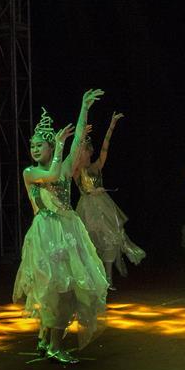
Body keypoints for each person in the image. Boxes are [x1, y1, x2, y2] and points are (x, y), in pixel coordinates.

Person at [13, 91, 110, 364]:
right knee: (51, 289)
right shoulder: (30, 173)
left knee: (66, 290)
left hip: (68, 231)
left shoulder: (67, 167)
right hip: (46, 233)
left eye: (39, 145)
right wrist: (57, 147)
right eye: (32, 145)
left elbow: (78, 141)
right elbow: (52, 175)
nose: (34, 149)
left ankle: (49, 340)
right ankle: (51, 342)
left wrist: (83, 108)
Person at [74, 112, 145, 288]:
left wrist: (112, 125)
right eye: (81, 150)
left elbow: (106, 146)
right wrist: (80, 137)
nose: (84, 153)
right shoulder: (75, 170)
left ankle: (108, 277)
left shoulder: (96, 166)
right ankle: (92, 277)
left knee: (109, 239)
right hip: (87, 207)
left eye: (85, 149)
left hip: (103, 205)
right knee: (89, 241)